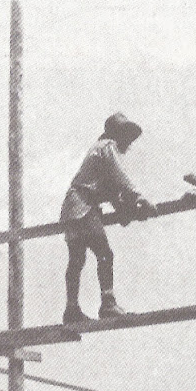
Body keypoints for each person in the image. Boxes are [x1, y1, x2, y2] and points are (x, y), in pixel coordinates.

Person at [60, 113, 156, 324]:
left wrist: (125, 210)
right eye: (127, 136)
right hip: (84, 206)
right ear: (118, 134)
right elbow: (120, 177)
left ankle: (72, 309)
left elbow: (112, 190)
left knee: (77, 260)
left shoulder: (99, 150)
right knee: (104, 253)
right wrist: (139, 198)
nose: (129, 143)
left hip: (72, 207)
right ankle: (108, 304)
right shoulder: (108, 146)